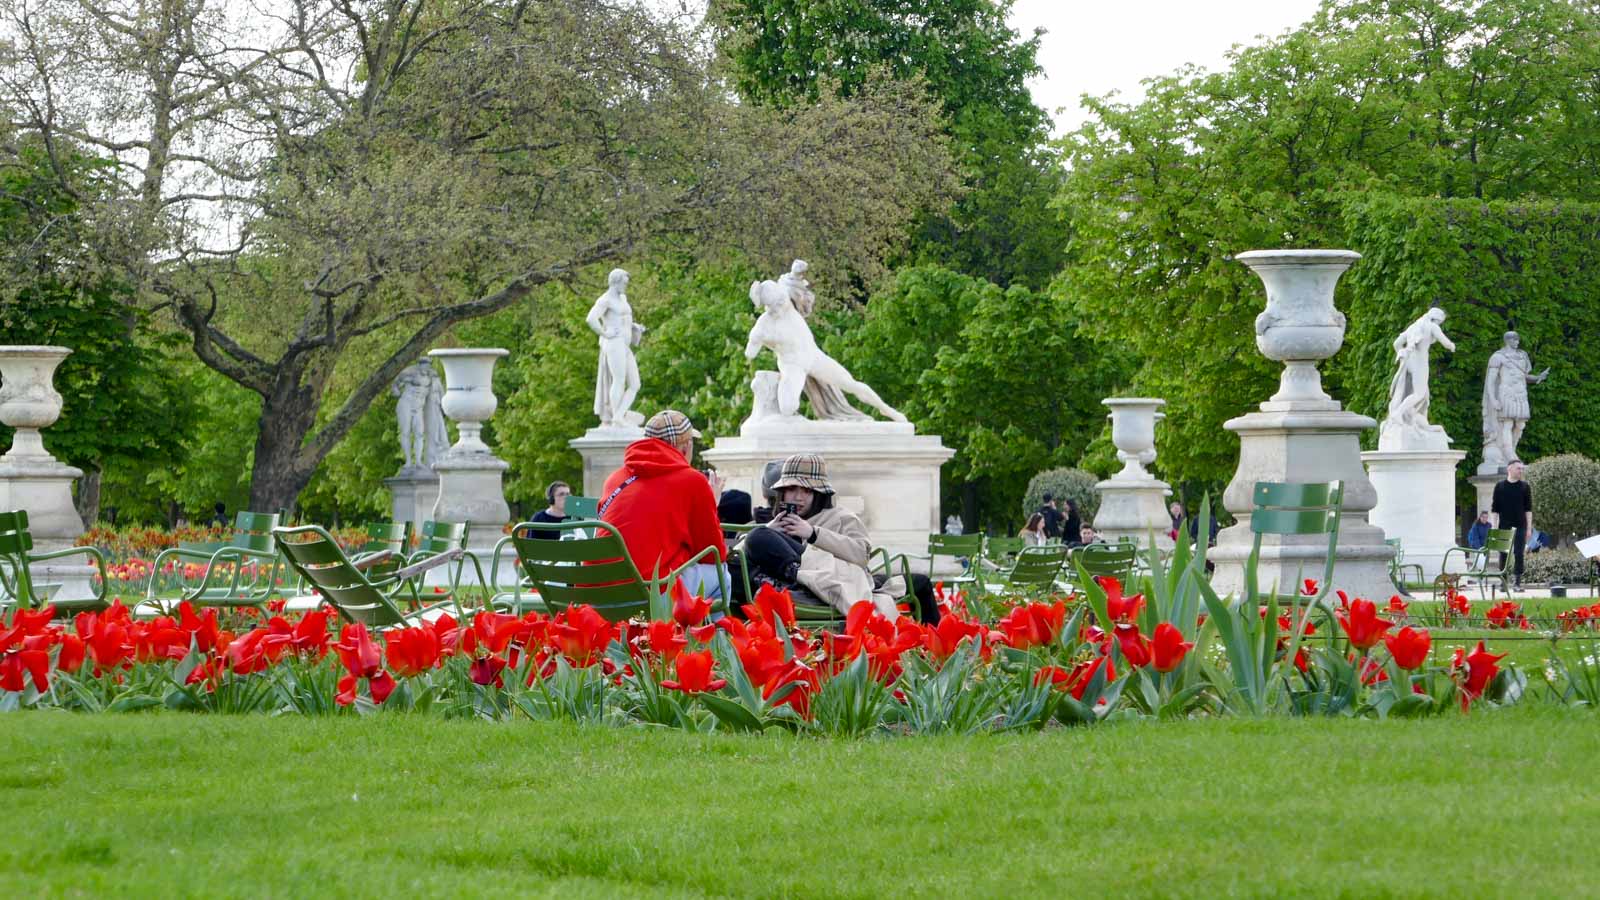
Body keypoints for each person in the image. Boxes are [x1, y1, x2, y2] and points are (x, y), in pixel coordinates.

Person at [738, 453, 939, 623]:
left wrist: (813, 533)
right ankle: (799, 583)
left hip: (838, 579)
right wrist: (771, 530)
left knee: (921, 582)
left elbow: (861, 555)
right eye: (791, 489)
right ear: (781, 493)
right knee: (757, 537)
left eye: (807, 491)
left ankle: (803, 583)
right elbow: (737, 557)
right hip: (791, 582)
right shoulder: (774, 523)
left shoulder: (841, 517)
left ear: (819, 494)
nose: (798, 497)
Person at [598, 409, 727, 603]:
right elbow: (713, 555)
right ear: (686, 447)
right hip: (651, 593)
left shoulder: (614, 479)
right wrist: (712, 505)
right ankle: (718, 625)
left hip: (602, 594)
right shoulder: (692, 481)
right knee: (722, 573)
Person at [587, 268, 646, 427]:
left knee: (635, 384)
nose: (625, 286)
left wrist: (634, 327)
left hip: (624, 345)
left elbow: (622, 319)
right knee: (619, 380)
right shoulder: (605, 300)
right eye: (624, 283)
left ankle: (619, 415)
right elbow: (591, 319)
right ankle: (617, 417)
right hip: (614, 343)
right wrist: (605, 333)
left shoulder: (622, 298)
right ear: (615, 282)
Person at [1490, 459, 1534, 590]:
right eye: (1518, 468)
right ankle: (1503, 582)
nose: (1521, 471)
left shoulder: (1525, 486)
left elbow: (1528, 509)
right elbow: (1495, 509)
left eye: (1522, 469)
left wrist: (1529, 528)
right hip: (1504, 526)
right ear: (1509, 469)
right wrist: (1494, 527)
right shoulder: (1500, 486)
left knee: (1519, 554)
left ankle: (1517, 583)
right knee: (1503, 554)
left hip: (1520, 526)